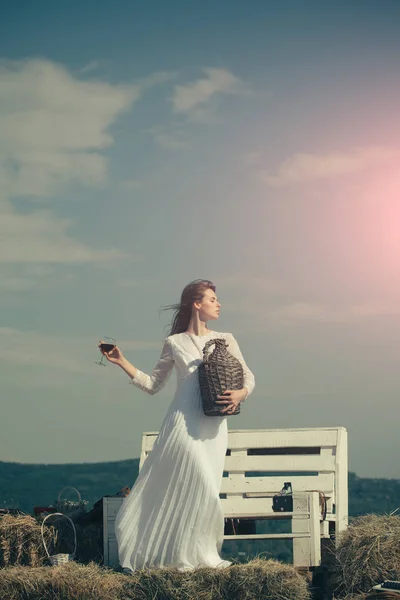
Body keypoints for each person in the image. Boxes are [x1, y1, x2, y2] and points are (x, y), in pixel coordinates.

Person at [98, 279, 255, 572]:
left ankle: (198, 555)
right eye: (212, 299)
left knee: (206, 490)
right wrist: (122, 362)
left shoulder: (227, 339)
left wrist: (240, 393)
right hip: (182, 424)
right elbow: (153, 384)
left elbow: (248, 377)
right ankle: (185, 556)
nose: (218, 304)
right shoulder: (175, 342)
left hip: (214, 427)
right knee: (202, 485)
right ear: (196, 304)